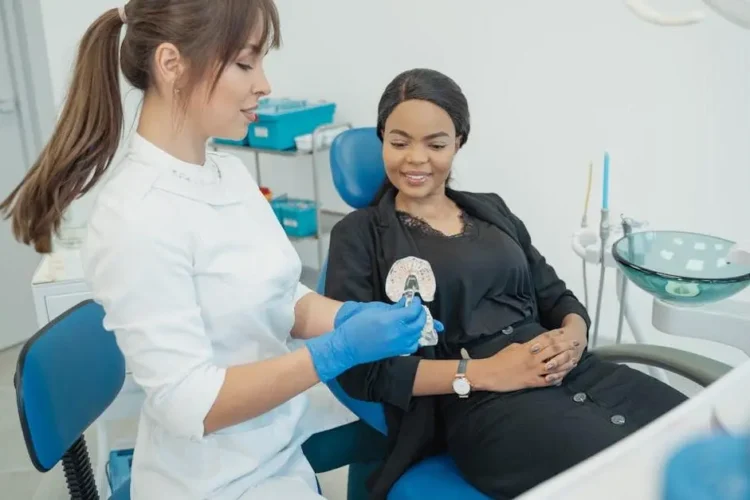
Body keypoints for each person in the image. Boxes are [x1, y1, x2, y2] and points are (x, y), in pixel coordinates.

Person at [0, 3, 438, 499]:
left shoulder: (225, 172)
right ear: (172, 65)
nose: (264, 85)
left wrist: (349, 318)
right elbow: (191, 404)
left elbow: (277, 296)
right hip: (216, 477)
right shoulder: (136, 216)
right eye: (245, 64)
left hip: (273, 435)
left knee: (408, 418)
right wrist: (336, 350)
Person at [323, 68, 689, 500]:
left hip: (578, 371)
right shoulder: (361, 235)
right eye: (399, 142)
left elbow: (555, 295)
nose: (415, 159)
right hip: (486, 405)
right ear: (382, 139)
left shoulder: (491, 211)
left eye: (435, 144)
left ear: (459, 142)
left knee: (699, 438)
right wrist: (485, 373)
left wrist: (573, 336)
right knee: (630, 478)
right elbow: (360, 372)